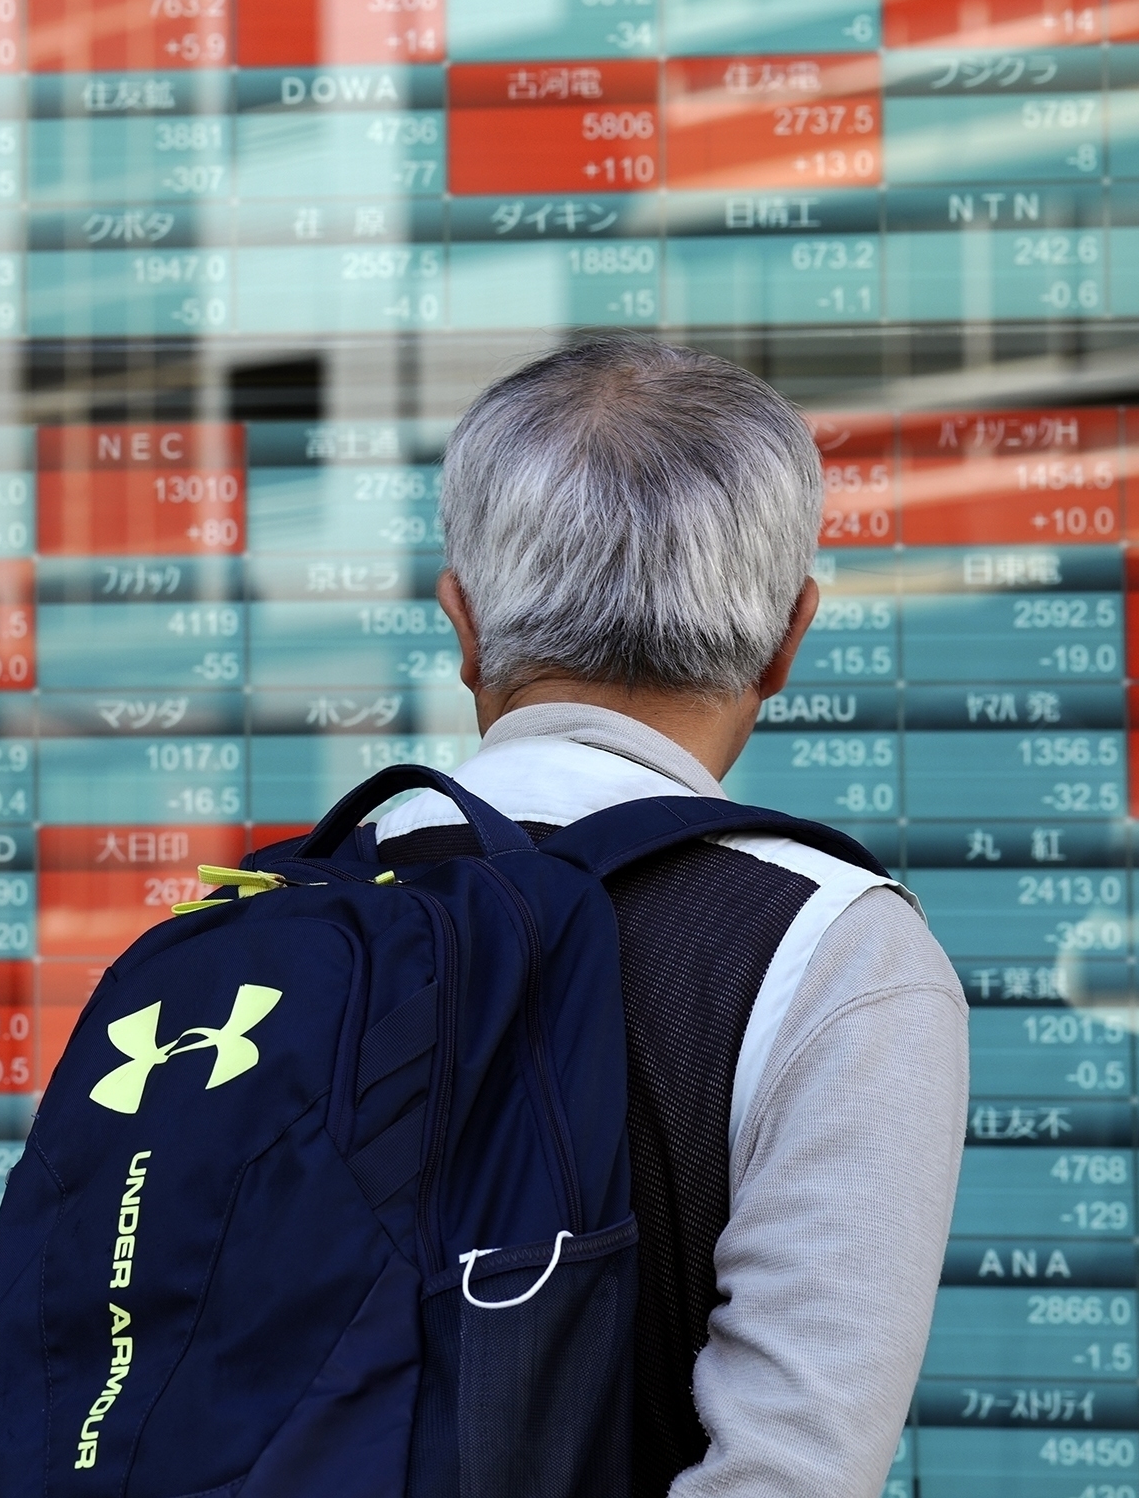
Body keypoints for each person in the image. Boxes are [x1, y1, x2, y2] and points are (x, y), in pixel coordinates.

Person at [374, 338, 966, 1498]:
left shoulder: (283, 914)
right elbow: (785, 1475)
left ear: (462, 625)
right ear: (789, 637)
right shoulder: (833, 949)